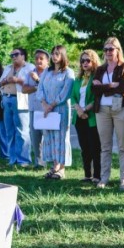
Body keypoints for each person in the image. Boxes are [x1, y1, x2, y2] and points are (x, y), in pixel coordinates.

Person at [93, 37, 124, 190]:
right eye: (106, 49)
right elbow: (94, 89)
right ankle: (104, 178)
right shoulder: (100, 69)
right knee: (105, 146)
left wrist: (103, 87)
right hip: (102, 110)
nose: (108, 52)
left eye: (111, 49)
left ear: (118, 50)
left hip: (120, 108)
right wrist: (111, 85)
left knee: (123, 146)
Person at [37, 45, 75, 179]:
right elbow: (40, 88)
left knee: (61, 138)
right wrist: (44, 104)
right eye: (53, 54)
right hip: (47, 109)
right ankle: (54, 166)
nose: (54, 56)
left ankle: (62, 169)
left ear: (63, 55)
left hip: (60, 109)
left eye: (57, 54)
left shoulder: (68, 72)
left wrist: (52, 104)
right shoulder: (47, 72)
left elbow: (66, 92)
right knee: (50, 136)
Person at [0, 47, 36, 167]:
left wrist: (17, 80)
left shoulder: (30, 67)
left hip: (20, 100)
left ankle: (24, 160)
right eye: (11, 55)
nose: (13, 57)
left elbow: (33, 84)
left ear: (23, 55)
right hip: (7, 98)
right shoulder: (8, 68)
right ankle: (12, 158)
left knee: (22, 131)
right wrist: (5, 81)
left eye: (16, 54)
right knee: (9, 131)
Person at [72, 49, 102, 183]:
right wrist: (78, 109)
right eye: (82, 60)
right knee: (84, 148)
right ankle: (87, 174)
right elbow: (72, 96)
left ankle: (97, 175)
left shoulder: (97, 78)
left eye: (87, 60)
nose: (84, 63)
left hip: (91, 117)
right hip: (79, 117)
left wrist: (84, 110)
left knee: (94, 147)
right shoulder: (78, 79)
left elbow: (97, 97)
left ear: (94, 61)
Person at [23, 49, 51, 169]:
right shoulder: (31, 72)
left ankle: (49, 161)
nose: (38, 61)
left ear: (47, 61)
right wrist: (36, 86)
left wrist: (36, 81)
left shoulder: (50, 73)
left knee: (47, 137)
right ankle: (38, 162)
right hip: (33, 108)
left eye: (41, 58)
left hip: (46, 110)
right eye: (36, 58)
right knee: (35, 138)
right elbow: (24, 89)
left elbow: (49, 89)